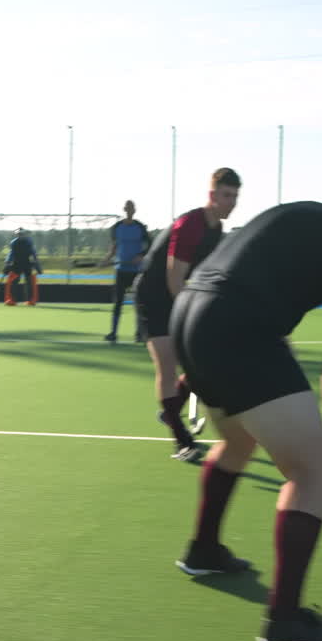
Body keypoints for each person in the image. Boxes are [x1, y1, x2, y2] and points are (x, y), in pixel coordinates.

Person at [170, 156, 322, 641]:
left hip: (190, 315)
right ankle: (286, 620)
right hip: (236, 329)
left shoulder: (298, 211)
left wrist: (203, 352)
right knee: (311, 471)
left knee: (237, 439)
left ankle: (204, 549)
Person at [135, 168, 239, 461]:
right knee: (168, 367)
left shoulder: (217, 230)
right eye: (226, 195)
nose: (231, 202)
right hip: (154, 299)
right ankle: (182, 441)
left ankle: (172, 411)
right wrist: (194, 318)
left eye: (235, 197)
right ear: (212, 195)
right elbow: (174, 279)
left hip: (178, 294)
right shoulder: (190, 225)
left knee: (202, 362)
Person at [104, 200, 150, 343]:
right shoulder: (116, 227)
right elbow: (114, 248)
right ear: (124, 209)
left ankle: (139, 334)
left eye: (132, 207)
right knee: (118, 302)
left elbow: (150, 246)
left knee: (139, 303)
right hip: (121, 270)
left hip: (137, 271)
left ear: (134, 210)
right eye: (127, 207)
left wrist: (140, 256)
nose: (129, 210)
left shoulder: (140, 227)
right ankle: (113, 332)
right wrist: (106, 259)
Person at [3, 228, 42, 306]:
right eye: (18, 234)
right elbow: (11, 253)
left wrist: (37, 264)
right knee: (13, 282)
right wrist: (7, 262)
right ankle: (11, 300)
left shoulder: (29, 242)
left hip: (27, 264)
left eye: (21, 234)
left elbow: (33, 253)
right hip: (16, 264)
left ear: (24, 234)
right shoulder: (14, 243)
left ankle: (31, 301)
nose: (20, 235)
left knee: (29, 282)